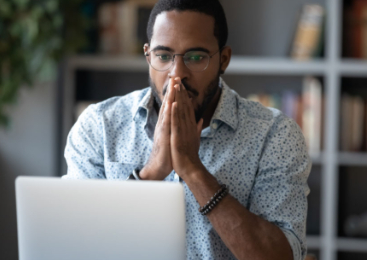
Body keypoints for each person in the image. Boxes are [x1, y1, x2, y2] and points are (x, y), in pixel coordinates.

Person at [63, 0, 311, 259]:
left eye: (195, 57)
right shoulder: (99, 127)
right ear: (148, 57)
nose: (177, 74)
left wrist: (193, 170)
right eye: (163, 56)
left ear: (223, 60)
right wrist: (151, 173)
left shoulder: (274, 135)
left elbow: (280, 256)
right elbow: (77, 244)